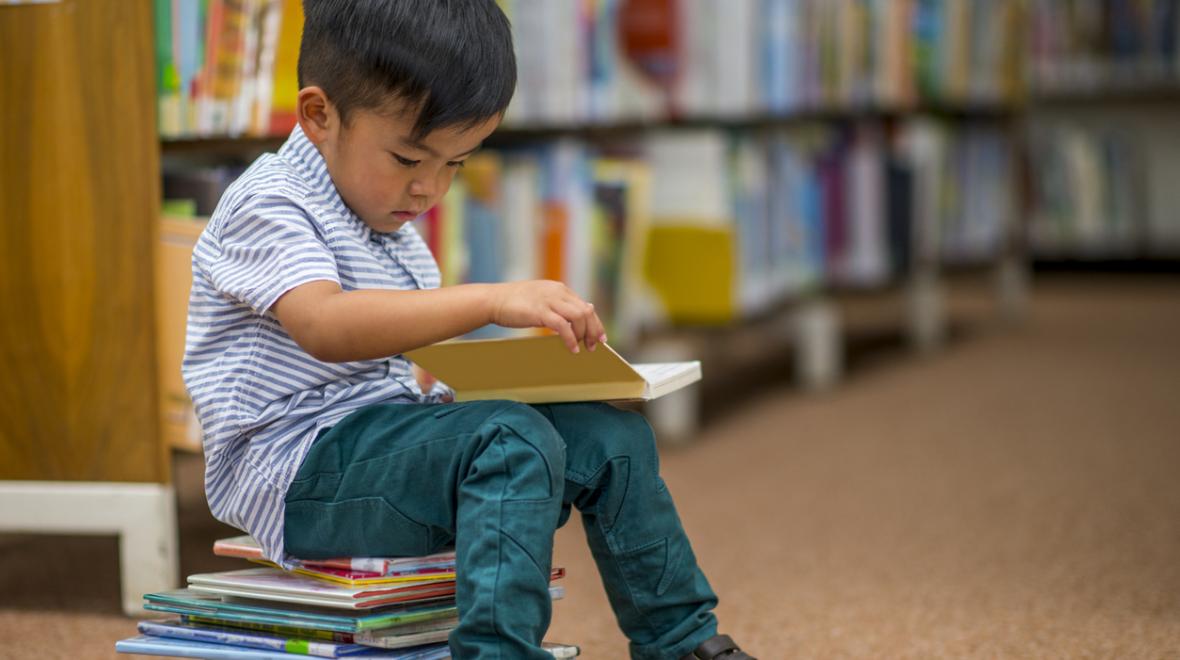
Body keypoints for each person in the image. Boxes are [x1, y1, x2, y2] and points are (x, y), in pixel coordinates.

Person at [183, 1, 756, 658]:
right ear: (318, 115)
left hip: (378, 442)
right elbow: (324, 324)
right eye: (407, 158)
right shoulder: (269, 202)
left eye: (456, 164)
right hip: (293, 475)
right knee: (507, 439)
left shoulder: (387, 218)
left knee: (610, 436)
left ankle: (682, 644)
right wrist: (490, 301)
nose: (430, 189)